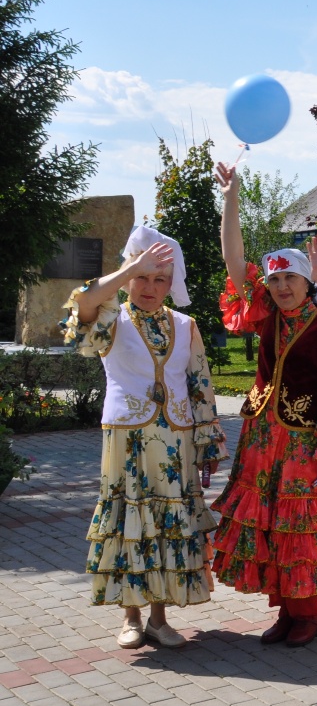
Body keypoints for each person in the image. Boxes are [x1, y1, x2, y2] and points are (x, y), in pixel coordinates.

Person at [213, 163, 317, 646]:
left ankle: (308, 613)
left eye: (289, 281)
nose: (280, 289)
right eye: (275, 283)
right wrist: (231, 198)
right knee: (271, 523)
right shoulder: (267, 317)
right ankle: (285, 609)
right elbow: (235, 264)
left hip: (304, 443)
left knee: (298, 523)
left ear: (305, 282)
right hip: (262, 439)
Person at [62, 226, 223, 649]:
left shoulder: (187, 325)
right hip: (127, 439)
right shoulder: (110, 320)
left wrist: (208, 441)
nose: (150, 287)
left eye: (160, 279)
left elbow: (200, 385)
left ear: (172, 283)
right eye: (143, 277)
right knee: (131, 524)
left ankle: (158, 617)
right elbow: (81, 303)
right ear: (129, 275)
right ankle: (130, 617)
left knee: (167, 526)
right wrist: (129, 267)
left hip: (175, 439)